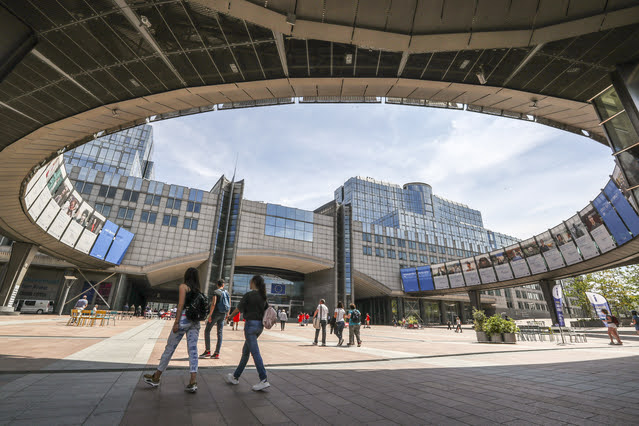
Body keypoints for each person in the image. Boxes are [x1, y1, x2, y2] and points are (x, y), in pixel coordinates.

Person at [144, 267, 202, 393]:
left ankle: (157, 377)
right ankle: (193, 381)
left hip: (184, 320)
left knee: (170, 348)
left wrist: (176, 322)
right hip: (195, 322)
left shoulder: (184, 287)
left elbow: (180, 305)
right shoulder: (198, 290)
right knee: (193, 350)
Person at [225, 275, 270, 391]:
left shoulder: (249, 295)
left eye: (250, 281)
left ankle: (263, 379)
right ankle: (235, 376)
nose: (249, 283)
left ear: (254, 282)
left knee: (255, 353)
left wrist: (230, 317)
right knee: (246, 352)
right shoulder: (263, 296)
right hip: (259, 327)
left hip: (250, 326)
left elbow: (238, 309)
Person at [200, 279, 230, 359]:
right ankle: (217, 353)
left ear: (217, 285)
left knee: (207, 330)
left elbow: (213, 304)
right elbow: (229, 304)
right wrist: (228, 314)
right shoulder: (227, 292)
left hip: (215, 313)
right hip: (223, 314)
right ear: (223, 285)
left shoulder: (216, 292)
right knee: (219, 333)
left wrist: (210, 315)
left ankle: (208, 351)